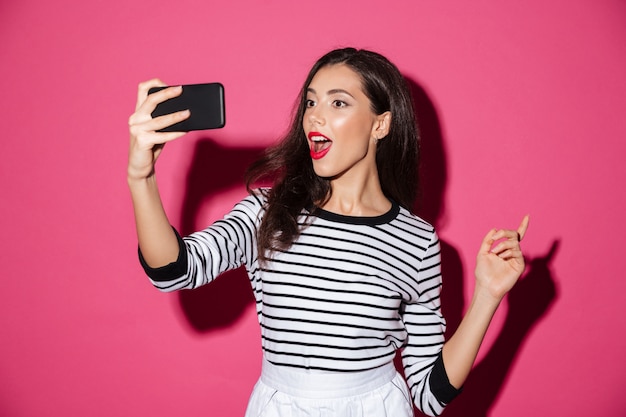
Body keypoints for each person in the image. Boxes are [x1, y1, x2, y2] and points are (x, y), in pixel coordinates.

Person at [127, 47, 529, 417]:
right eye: (311, 101)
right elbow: (173, 271)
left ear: (381, 124)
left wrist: (488, 297)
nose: (315, 116)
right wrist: (140, 176)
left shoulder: (417, 241)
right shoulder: (266, 212)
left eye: (338, 102)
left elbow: (429, 394)